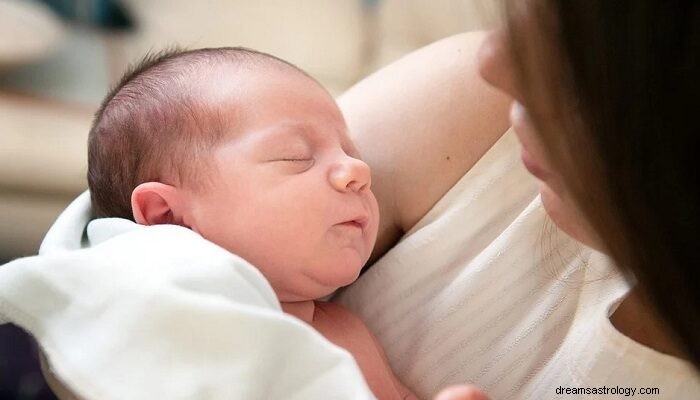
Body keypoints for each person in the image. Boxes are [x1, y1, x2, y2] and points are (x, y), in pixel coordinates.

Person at [86, 47, 417, 400]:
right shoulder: (178, 339)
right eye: (296, 156)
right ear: (168, 217)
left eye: (352, 153)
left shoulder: (348, 331)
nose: (359, 171)